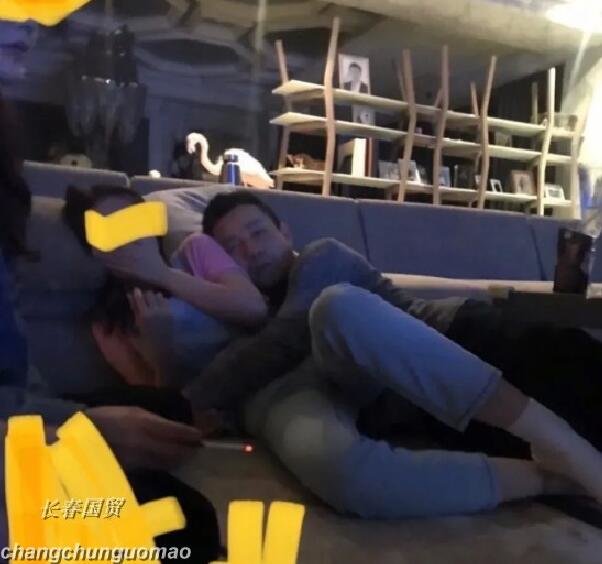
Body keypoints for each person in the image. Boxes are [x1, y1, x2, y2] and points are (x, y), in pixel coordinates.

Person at [176, 189, 602, 519]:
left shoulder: (321, 259)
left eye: (258, 233)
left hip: (469, 339)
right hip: (445, 414)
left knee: (578, 381)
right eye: (232, 248)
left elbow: (285, 338)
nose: (251, 250)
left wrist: (188, 402)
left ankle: (568, 451)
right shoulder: (251, 336)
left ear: (285, 233)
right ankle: (565, 472)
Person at [0, 42, 221, 558]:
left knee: (180, 491)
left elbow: (18, 379)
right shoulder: (110, 316)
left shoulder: (193, 255)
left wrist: (70, 424)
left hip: (25, 419)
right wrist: (72, 433)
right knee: (180, 520)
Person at [62, 184, 267, 388]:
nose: (132, 236)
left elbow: (255, 310)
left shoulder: (195, 249)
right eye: (114, 231)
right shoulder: (108, 324)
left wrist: (161, 273)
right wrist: (160, 347)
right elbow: (159, 397)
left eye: (137, 220)